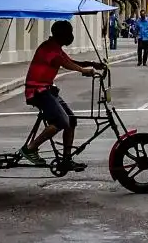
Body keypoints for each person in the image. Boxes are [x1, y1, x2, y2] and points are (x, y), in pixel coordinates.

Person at [22, 20, 100, 171]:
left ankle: (66, 160)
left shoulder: (56, 47)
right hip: (37, 91)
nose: (70, 36)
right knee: (62, 121)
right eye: (68, 33)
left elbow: (68, 60)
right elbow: (63, 63)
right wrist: (83, 70)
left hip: (47, 89)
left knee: (71, 121)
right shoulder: (49, 48)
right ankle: (30, 148)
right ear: (60, 34)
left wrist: (90, 64)